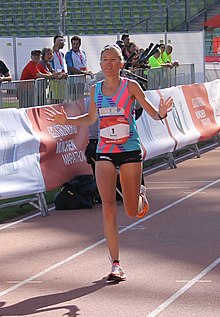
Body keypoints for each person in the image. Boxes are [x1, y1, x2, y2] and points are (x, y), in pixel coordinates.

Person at [45, 45, 173, 283]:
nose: (108, 63)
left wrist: (162, 113)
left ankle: (140, 196)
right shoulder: (95, 90)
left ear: (121, 64)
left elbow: (153, 113)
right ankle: (115, 264)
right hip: (104, 150)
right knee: (108, 208)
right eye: (104, 59)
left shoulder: (131, 87)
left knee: (132, 211)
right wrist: (68, 119)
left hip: (130, 150)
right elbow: (92, 118)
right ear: (101, 63)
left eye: (113, 59)